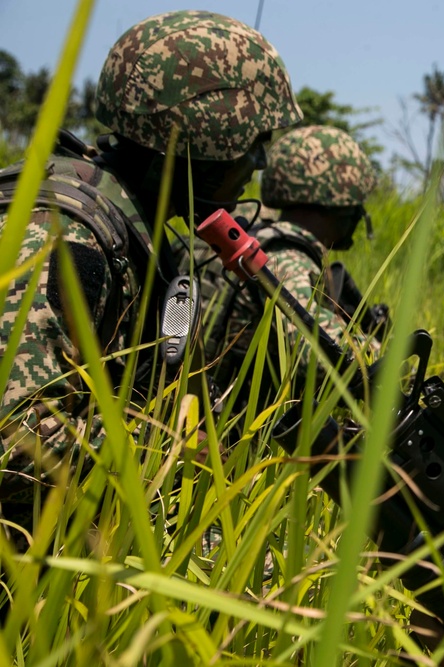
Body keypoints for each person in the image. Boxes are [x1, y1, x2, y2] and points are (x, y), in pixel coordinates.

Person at [0, 10, 301, 539]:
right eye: (251, 142)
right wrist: (162, 451)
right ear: (205, 140)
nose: (257, 163)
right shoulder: (63, 234)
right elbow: (13, 441)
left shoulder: (144, 238)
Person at [193, 125, 383, 397]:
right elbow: (319, 354)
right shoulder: (286, 256)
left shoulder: (246, 234)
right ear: (341, 201)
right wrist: (385, 354)